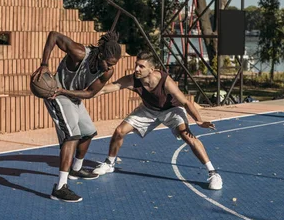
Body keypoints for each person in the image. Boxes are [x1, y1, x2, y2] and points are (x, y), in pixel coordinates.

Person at [60, 51, 223, 190]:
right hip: (148, 110)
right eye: (136, 65)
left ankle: (213, 173)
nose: (136, 69)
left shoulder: (164, 81)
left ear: (152, 69)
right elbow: (111, 87)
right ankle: (109, 163)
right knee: (119, 131)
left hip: (171, 110)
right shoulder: (133, 79)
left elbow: (186, 102)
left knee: (187, 136)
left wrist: (199, 121)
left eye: (141, 66)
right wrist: (84, 93)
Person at [31, 30, 122, 202]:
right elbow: (54, 36)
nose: (110, 67)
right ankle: (60, 187)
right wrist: (44, 64)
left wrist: (66, 91)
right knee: (72, 136)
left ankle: (76, 169)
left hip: (71, 95)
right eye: (108, 63)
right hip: (55, 94)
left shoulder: (107, 72)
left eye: (113, 64)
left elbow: (89, 93)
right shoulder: (80, 53)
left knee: (88, 132)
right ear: (101, 54)